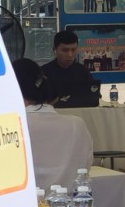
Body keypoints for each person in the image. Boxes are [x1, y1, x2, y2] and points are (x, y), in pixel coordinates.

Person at [14, 57, 92, 192]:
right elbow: (85, 167)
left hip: (26, 204)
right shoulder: (76, 125)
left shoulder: (13, 127)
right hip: (69, 203)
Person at [39, 30, 100, 108]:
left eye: (73, 50)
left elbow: (93, 96)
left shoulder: (83, 71)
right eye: (65, 50)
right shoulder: (44, 72)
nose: (70, 54)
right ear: (55, 50)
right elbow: (36, 104)